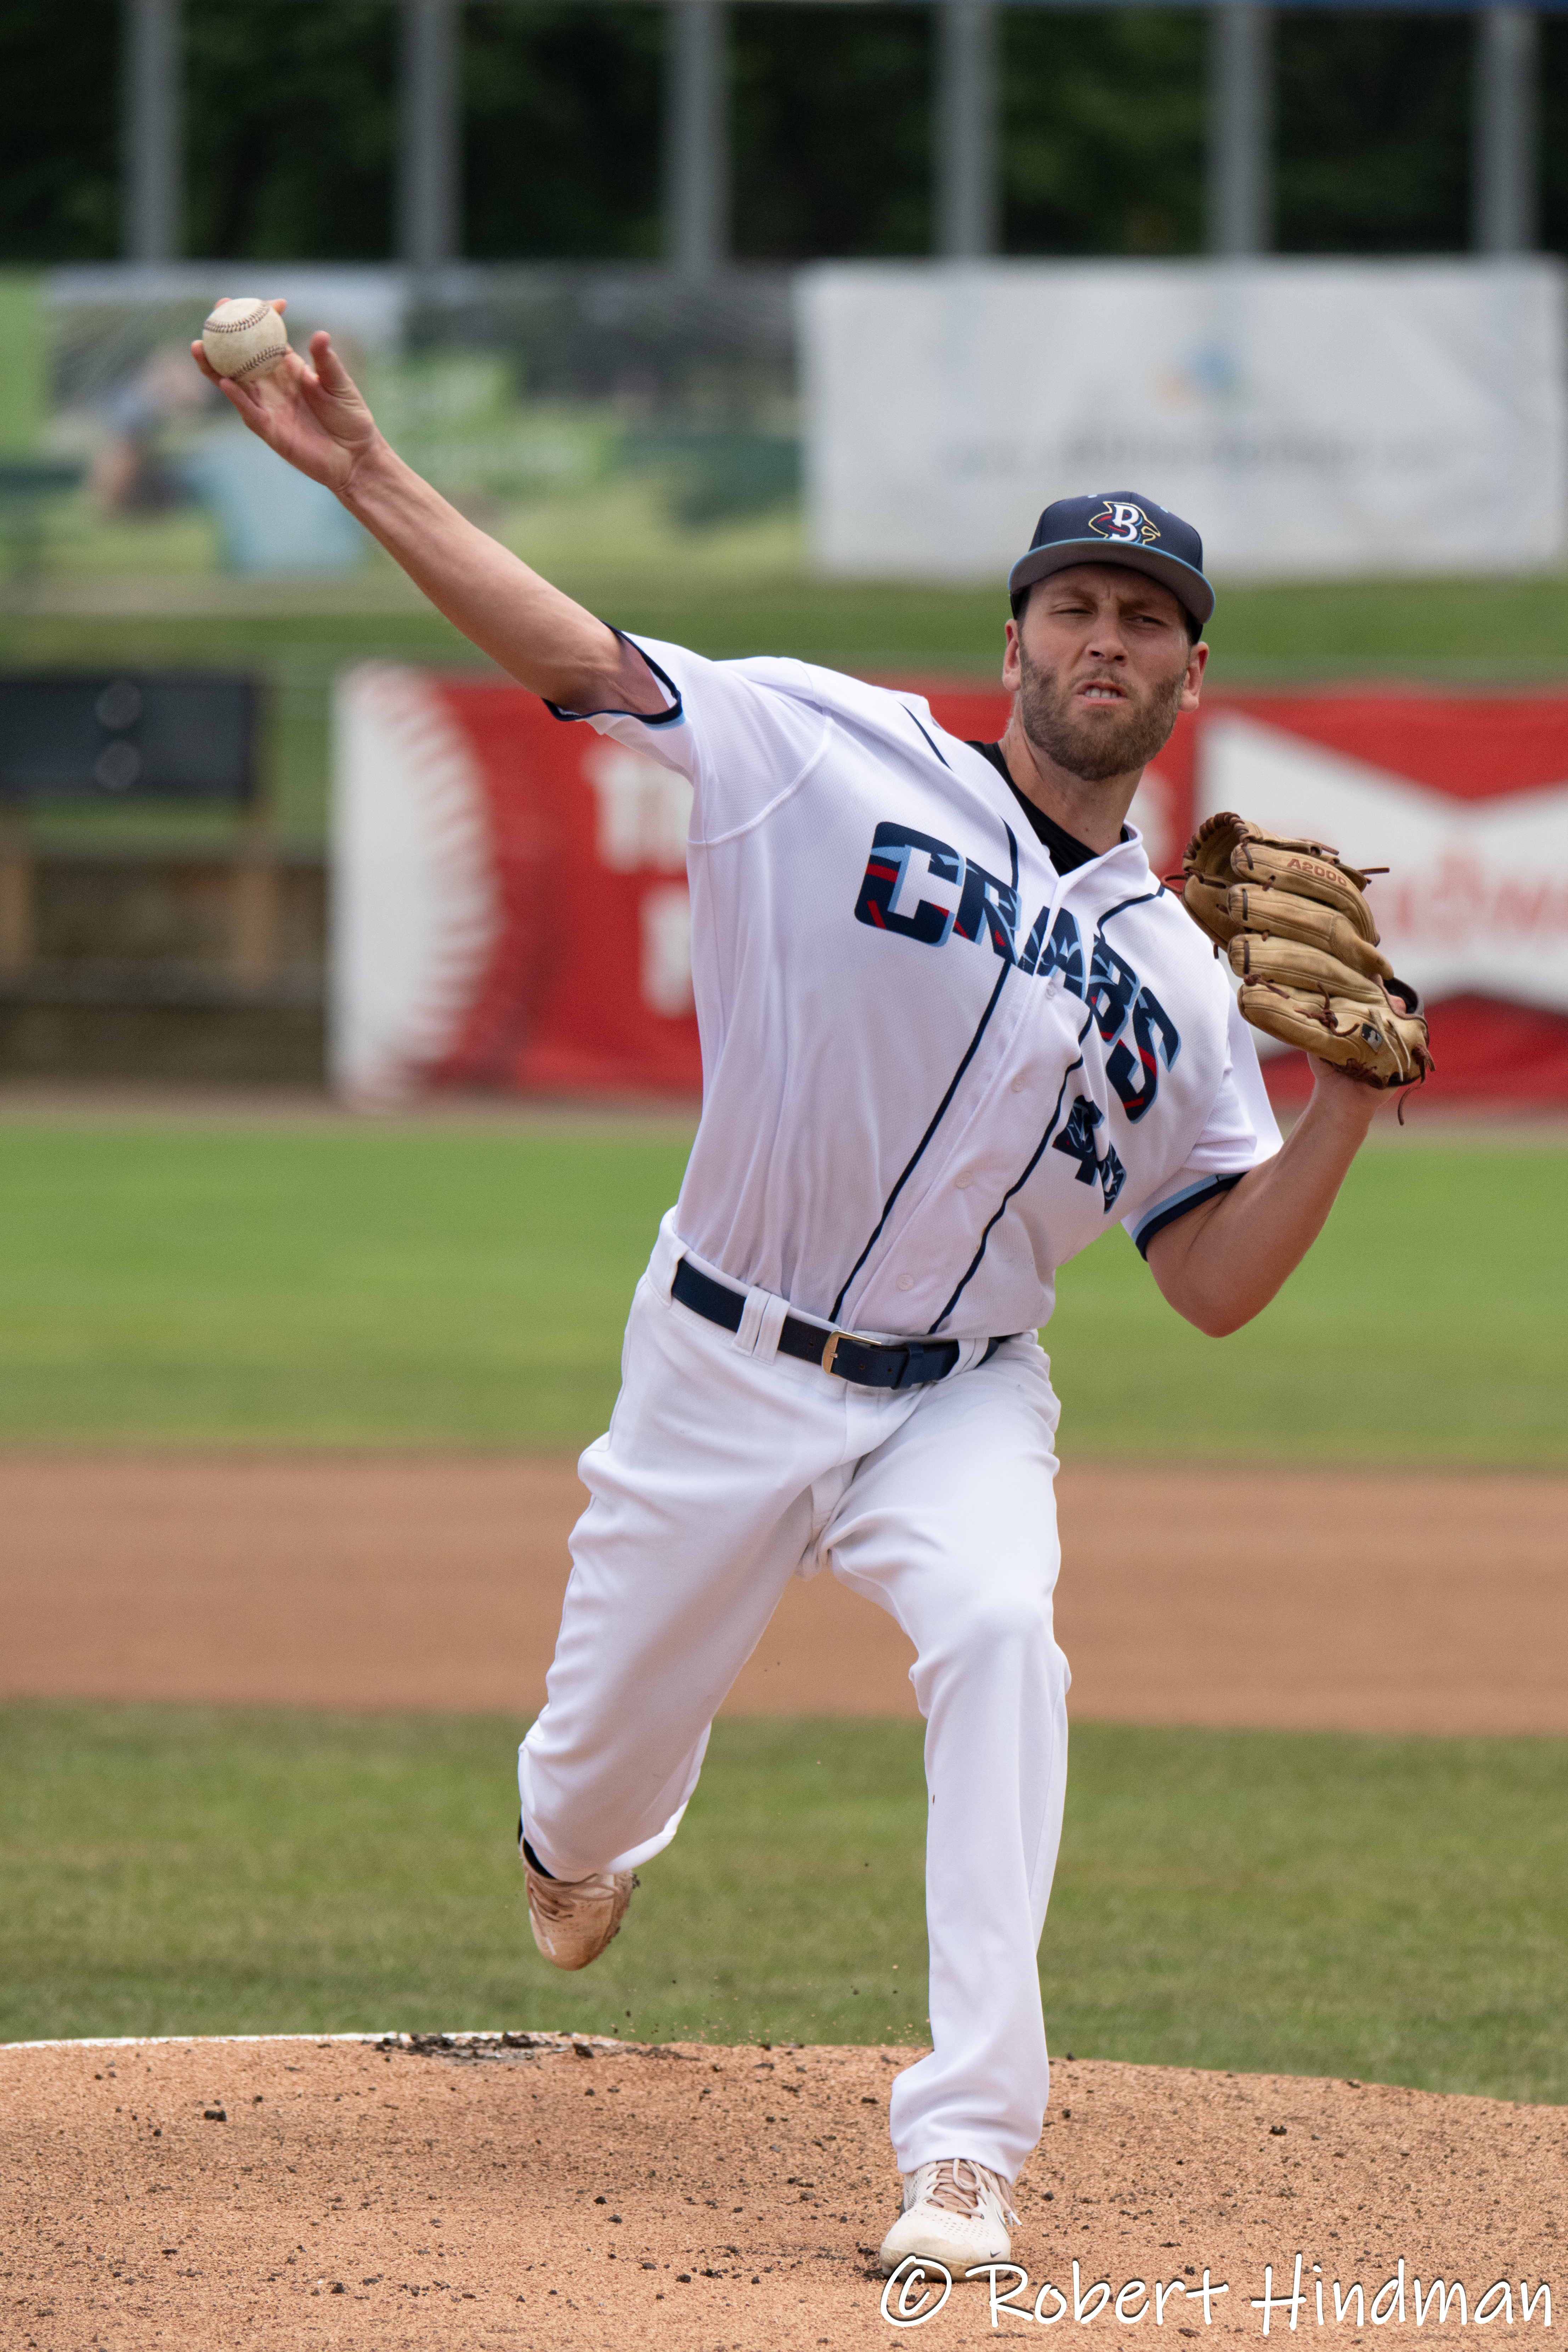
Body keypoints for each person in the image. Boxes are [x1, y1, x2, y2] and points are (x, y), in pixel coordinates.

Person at [193, 312, 1389, 2282]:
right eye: (1075, 603)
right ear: (1015, 640)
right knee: (578, 1828)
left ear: (1190, 674)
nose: (1108, 639)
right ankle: (584, 1855)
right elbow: (577, 654)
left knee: (1006, 1629)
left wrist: (1347, 1104)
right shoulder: (825, 749)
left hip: (962, 1395)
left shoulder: (1182, 986)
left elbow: (1216, 1285)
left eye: (1147, 617)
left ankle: (971, 2149)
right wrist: (363, 477)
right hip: (719, 1365)